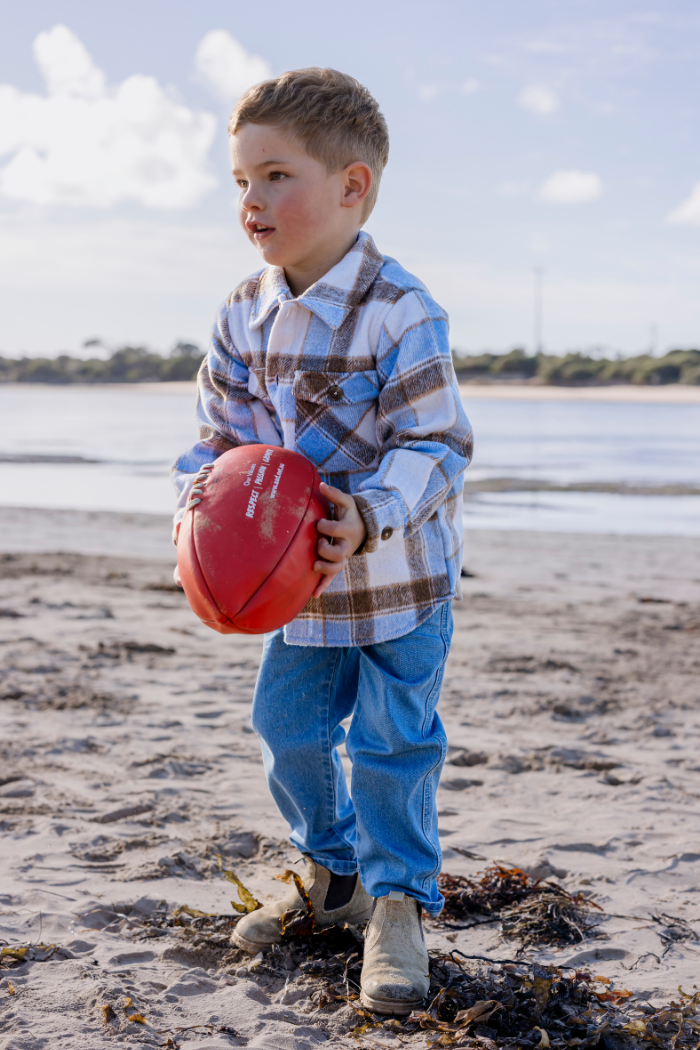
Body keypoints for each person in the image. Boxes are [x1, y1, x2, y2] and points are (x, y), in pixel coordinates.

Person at [172, 68, 473, 1016]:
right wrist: (195, 508)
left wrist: (370, 510)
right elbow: (219, 444)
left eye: (275, 176)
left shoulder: (400, 309)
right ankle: (331, 874)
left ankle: (397, 905)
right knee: (286, 730)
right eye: (239, 182)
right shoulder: (239, 313)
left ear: (353, 186)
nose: (252, 201)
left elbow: (439, 442)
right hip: (295, 590)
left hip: (395, 578)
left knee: (394, 742)